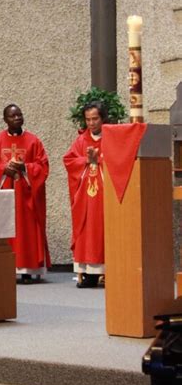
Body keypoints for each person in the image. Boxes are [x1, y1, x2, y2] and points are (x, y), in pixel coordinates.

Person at [0, 104, 50, 284]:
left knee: (26, 231)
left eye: (19, 115)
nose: (17, 118)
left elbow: (42, 166)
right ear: (5, 120)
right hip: (6, 196)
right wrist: (4, 168)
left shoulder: (33, 141)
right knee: (6, 229)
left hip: (26, 197)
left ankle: (27, 270)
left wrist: (25, 167)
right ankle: (5, 268)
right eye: (12, 116)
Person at [63, 100, 107, 288]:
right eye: (88, 119)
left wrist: (100, 159)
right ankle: (88, 273)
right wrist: (86, 161)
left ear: (103, 118)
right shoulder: (81, 140)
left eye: (95, 119)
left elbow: (120, 161)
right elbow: (69, 160)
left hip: (104, 196)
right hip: (85, 198)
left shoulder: (112, 138)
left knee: (103, 230)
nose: (91, 123)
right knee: (86, 231)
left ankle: (106, 271)